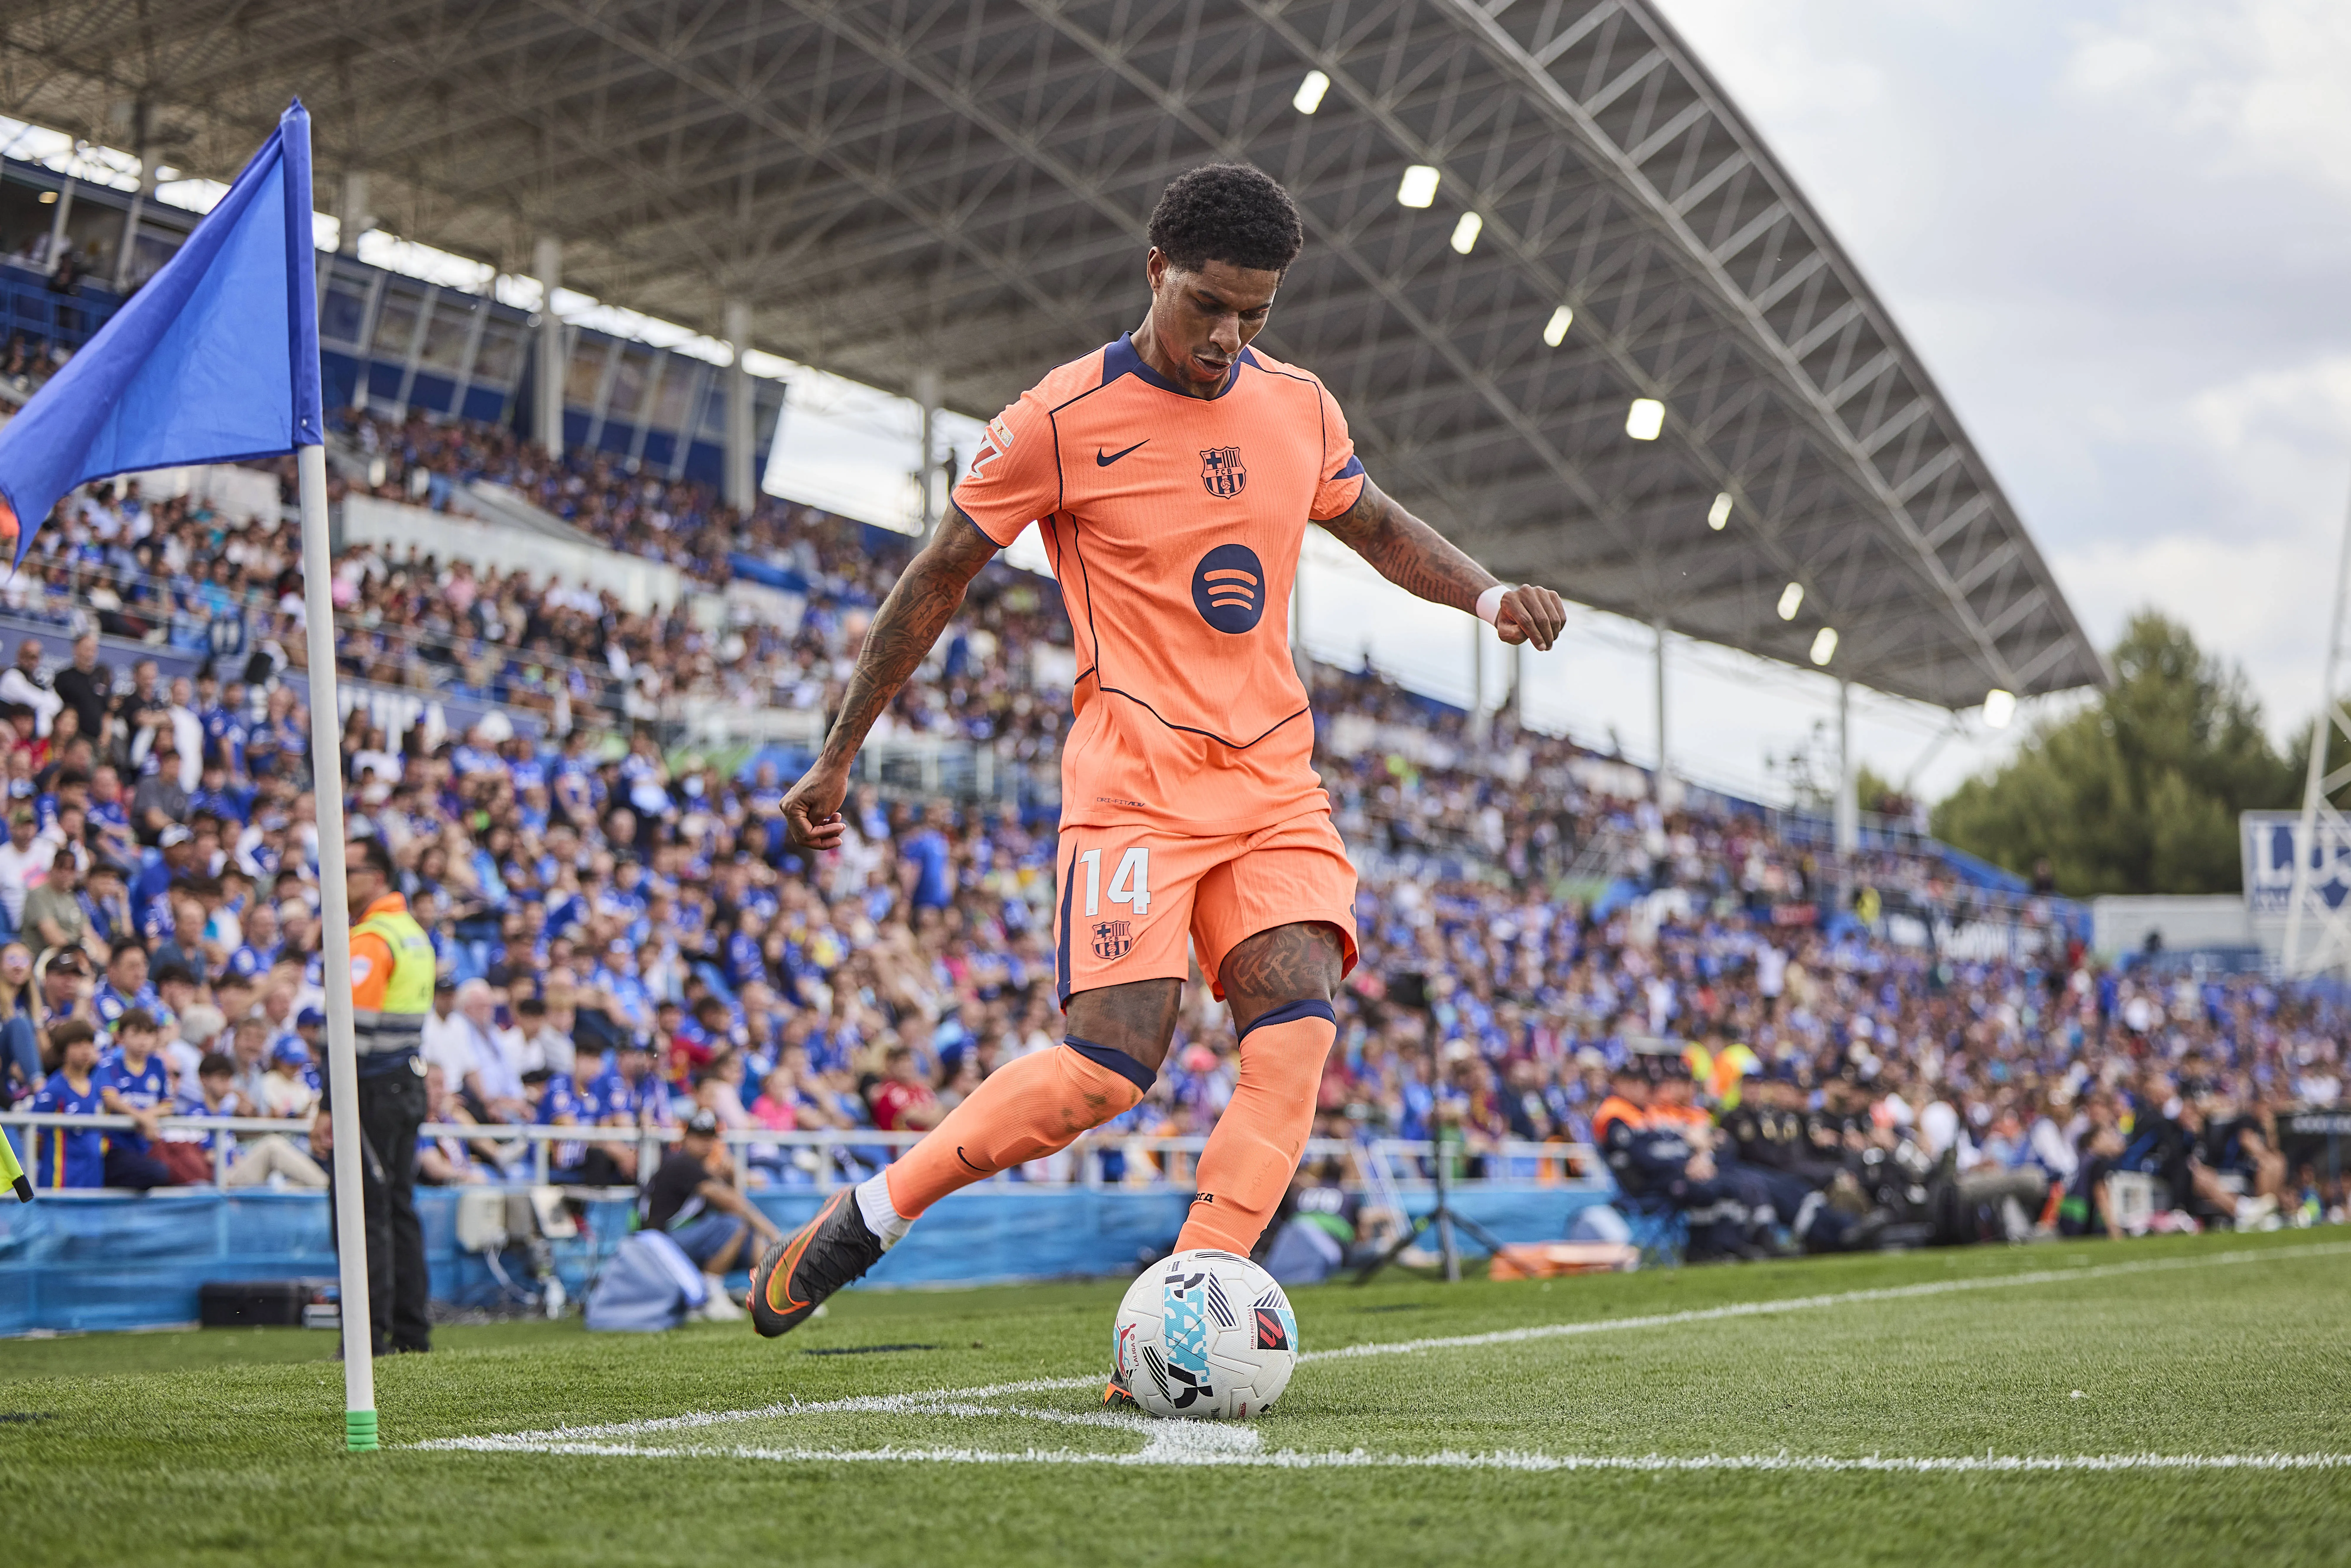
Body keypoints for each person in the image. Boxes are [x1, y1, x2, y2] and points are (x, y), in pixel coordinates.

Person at [749, 162, 1568, 1371]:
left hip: (1276, 785)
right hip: (1135, 785)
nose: (1230, 337)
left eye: (1257, 314)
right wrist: (839, 755)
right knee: (1104, 1073)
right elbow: (935, 578)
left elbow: (1379, 525)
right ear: (1155, 274)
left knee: (1296, 1024)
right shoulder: (1059, 419)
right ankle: (878, 1211)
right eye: (1208, 306)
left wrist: (1490, 594)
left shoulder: (1299, 407)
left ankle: (1196, 1299)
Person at [310, 835, 436, 1357]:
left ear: (376, 876)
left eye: (348, 868)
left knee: (364, 1213)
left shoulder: (369, 940)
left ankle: (368, 1339)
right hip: (406, 1082)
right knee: (399, 1210)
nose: (337, 880)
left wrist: (328, 1106)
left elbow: (349, 1037)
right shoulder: (412, 933)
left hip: (372, 1091)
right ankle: (409, 1332)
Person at [643, 1108, 781, 1319]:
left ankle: (769, 1292)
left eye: (710, 1138)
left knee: (746, 1231)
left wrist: (733, 1177)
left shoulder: (699, 1168)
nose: (706, 1144)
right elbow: (732, 1204)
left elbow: (731, 1202)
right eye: (700, 1138)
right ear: (686, 1138)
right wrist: (772, 1232)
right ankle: (709, 1295)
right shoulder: (682, 1164)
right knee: (734, 1224)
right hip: (660, 1244)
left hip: (675, 1241)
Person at [94, 1007, 173, 1188]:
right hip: (114, 1148)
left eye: (149, 1034)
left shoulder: (157, 1065)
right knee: (158, 1173)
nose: (144, 1041)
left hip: (146, 1147)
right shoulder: (110, 1064)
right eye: (136, 1033)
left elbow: (168, 1105)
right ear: (121, 1037)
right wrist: (145, 1119)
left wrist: (148, 1116)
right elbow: (111, 1100)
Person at [31, 1018, 105, 1188]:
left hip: (93, 1179)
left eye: (89, 1043)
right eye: (78, 1044)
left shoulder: (97, 1087)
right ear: (64, 1050)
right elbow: (36, 1137)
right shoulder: (53, 1090)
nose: (86, 1050)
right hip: (60, 1182)